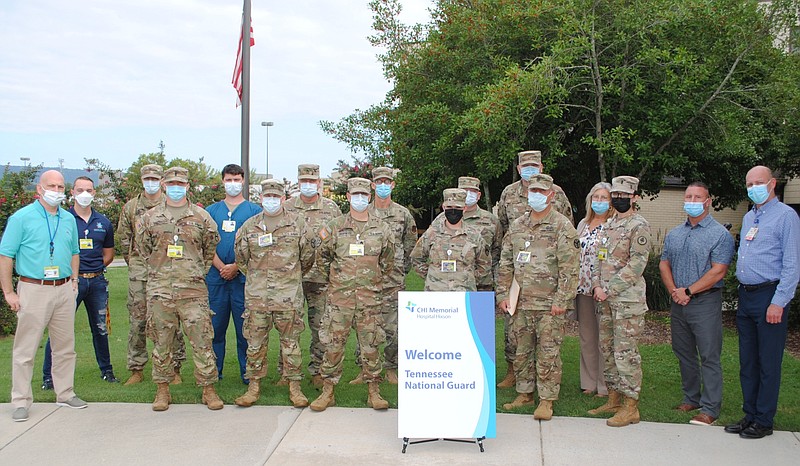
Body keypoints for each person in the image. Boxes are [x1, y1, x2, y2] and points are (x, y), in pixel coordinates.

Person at [0, 169, 87, 422]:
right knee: (25, 348)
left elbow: (74, 251)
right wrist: (8, 292)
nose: (57, 192)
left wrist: (74, 279)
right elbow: (6, 255)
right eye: (52, 186)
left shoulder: (67, 219)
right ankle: (21, 400)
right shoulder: (21, 218)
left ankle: (65, 393)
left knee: (65, 347)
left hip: (63, 289)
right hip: (33, 287)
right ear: (39, 189)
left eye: (61, 187)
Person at [136, 166, 223, 411]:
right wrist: (161, 272)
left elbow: (209, 250)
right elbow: (144, 251)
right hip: (160, 290)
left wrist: (193, 272)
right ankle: (162, 390)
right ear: (164, 185)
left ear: (187, 186)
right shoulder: (149, 218)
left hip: (193, 291)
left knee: (202, 341)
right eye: (171, 183)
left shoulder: (201, 217)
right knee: (161, 342)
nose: (176, 187)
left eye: (180, 183)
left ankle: (208, 389)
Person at [724, 166, 800, 439]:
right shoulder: (749, 217)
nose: (753, 187)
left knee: (768, 362)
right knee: (748, 361)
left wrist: (779, 302)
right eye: (749, 183)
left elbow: (792, 265)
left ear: (772, 184)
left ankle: (764, 420)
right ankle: (750, 414)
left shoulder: (786, 217)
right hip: (746, 296)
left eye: (759, 182)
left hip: (770, 296)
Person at [496, 174, 579, 421]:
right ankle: (524, 393)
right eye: (533, 191)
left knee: (548, 353)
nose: (536, 195)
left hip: (549, 304)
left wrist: (562, 301)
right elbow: (506, 262)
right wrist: (503, 294)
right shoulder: (518, 225)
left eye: (541, 192)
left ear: (551, 195)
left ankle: (546, 400)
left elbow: (570, 268)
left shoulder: (562, 226)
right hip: (520, 303)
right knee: (521, 351)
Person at [309, 177, 395, 412]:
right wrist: (337, 282)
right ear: (348, 197)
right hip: (340, 300)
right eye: (354, 195)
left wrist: (372, 282)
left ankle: (374, 392)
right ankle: (328, 392)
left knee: (371, 345)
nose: (359, 199)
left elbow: (387, 261)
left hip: (369, 300)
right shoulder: (335, 226)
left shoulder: (382, 229)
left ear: (369, 197)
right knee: (333, 345)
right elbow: (322, 259)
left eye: (363, 195)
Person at [233, 179, 315, 408]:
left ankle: (294, 387)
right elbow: (241, 259)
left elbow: (307, 258)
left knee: (291, 344)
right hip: (257, 297)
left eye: (275, 197)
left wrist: (289, 277)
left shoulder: (298, 224)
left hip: (288, 297)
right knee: (255, 344)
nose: (271, 200)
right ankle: (253, 387)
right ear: (261, 198)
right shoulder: (249, 227)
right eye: (267, 196)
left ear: (283, 199)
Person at [659, 182, 735, 427]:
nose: (692, 200)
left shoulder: (719, 235)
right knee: (683, 352)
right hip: (678, 302)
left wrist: (689, 291)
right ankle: (691, 398)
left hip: (704, 302)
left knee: (709, 355)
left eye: (697, 197)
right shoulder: (675, 234)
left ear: (707, 201)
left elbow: (718, 271)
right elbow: (664, 264)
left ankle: (710, 408)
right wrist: (674, 291)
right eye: (688, 196)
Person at [42, 176, 119, 389]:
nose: (84, 193)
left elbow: (109, 254)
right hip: (70, 283)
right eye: (80, 189)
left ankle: (107, 371)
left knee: (100, 329)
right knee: (59, 329)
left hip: (97, 283)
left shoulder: (103, 222)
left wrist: (94, 270)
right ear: (72, 192)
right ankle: (48, 377)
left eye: (89, 190)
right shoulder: (63, 219)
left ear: (94, 193)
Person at [588, 176, 651, 427]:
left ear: (634, 197)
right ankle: (613, 398)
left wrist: (609, 289)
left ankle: (630, 406)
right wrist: (595, 284)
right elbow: (598, 257)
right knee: (608, 350)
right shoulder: (610, 225)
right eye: (616, 196)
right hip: (604, 299)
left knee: (626, 354)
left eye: (625, 196)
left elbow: (636, 264)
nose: (619, 200)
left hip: (627, 301)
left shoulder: (639, 226)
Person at [117, 164, 185, 385]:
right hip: (141, 272)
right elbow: (125, 239)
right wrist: (138, 264)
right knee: (137, 321)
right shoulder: (131, 207)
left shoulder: (172, 205)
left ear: (162, 181)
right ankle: (137, 368)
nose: (151, 182)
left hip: (168, 271)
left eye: (155, 178)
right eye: (147, 178)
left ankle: (174, 367)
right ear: (142, 179)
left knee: (170, 321)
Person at [349, 167, 416, 385]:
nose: (383, 185)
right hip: (365, 280)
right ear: (373, 185)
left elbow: (410, 246)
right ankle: (365, 368)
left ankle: (390, 367)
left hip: (393, 281)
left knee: (393, 326)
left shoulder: (403, 214)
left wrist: (399, 270)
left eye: (387, 181)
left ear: (393, 185)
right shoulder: (362, 212)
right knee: (364, 324)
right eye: (379, 182)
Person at [283, 164, 342, 387]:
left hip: (321, 278)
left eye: (312, 180)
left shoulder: (331, 208)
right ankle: (287, 372)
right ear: (298, 183)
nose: (308, 184)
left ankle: (318, 370)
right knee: (290, 327)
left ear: (319, 182)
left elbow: (338, 239)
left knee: (320, 327)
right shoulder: (287, 207)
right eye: (304, 181)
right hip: (292, 278)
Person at [205, 164, 262, 384]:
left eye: (237, 179)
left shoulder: (254, 211)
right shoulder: (211, 211)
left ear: (243, 181)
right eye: (229, 180)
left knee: (244, 330)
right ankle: (213, 372)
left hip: (242, 279)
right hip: (216, 278)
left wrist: (236, 266)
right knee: (215, 329)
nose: (233, 184)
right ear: (222, 181)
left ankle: (248, 374)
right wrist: (221, 267)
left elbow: (256, 246)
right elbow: (206, 245)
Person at [574, 182, 614, 398]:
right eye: (595, 197)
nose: (599, 201)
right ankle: (588, 382)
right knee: (587, 337)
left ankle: (605, 385)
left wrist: (604, 286)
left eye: (603, 197)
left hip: (604, 288)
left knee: (604, 338)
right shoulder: (582, 224)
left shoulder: (614, 225)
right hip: (583, 289)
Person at [410, 188, 491, 292]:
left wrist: (468, 277)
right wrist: (433, 276)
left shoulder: (474, 236)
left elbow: (485, 264)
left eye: (457, 207)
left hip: (465, 295)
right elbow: (416, 258)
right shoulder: (432, 233)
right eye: (449, 207)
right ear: (443, 207)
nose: (453, 211)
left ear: (464, 208)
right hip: (435, 294)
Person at [431, 176, 502, 290]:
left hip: (481, 285)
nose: (468, 194)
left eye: (472, 191)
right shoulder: (440, 219)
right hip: (446, 286)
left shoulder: (491, 220)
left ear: (478, 195)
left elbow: (497, 251)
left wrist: (474, 277)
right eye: (464, 191)